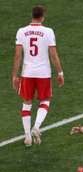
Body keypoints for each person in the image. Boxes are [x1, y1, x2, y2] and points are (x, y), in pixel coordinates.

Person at [12, 5, 64, 146]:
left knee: (27, 102)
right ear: (43, 16)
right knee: (45, 100)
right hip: (43, 73)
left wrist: (15, 76)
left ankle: (27, 137)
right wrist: (60, 72)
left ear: (32, 15)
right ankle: (36, 126)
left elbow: (18, 56)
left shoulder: (21, 31)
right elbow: (53, 55)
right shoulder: (48, 32)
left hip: (27, 73)